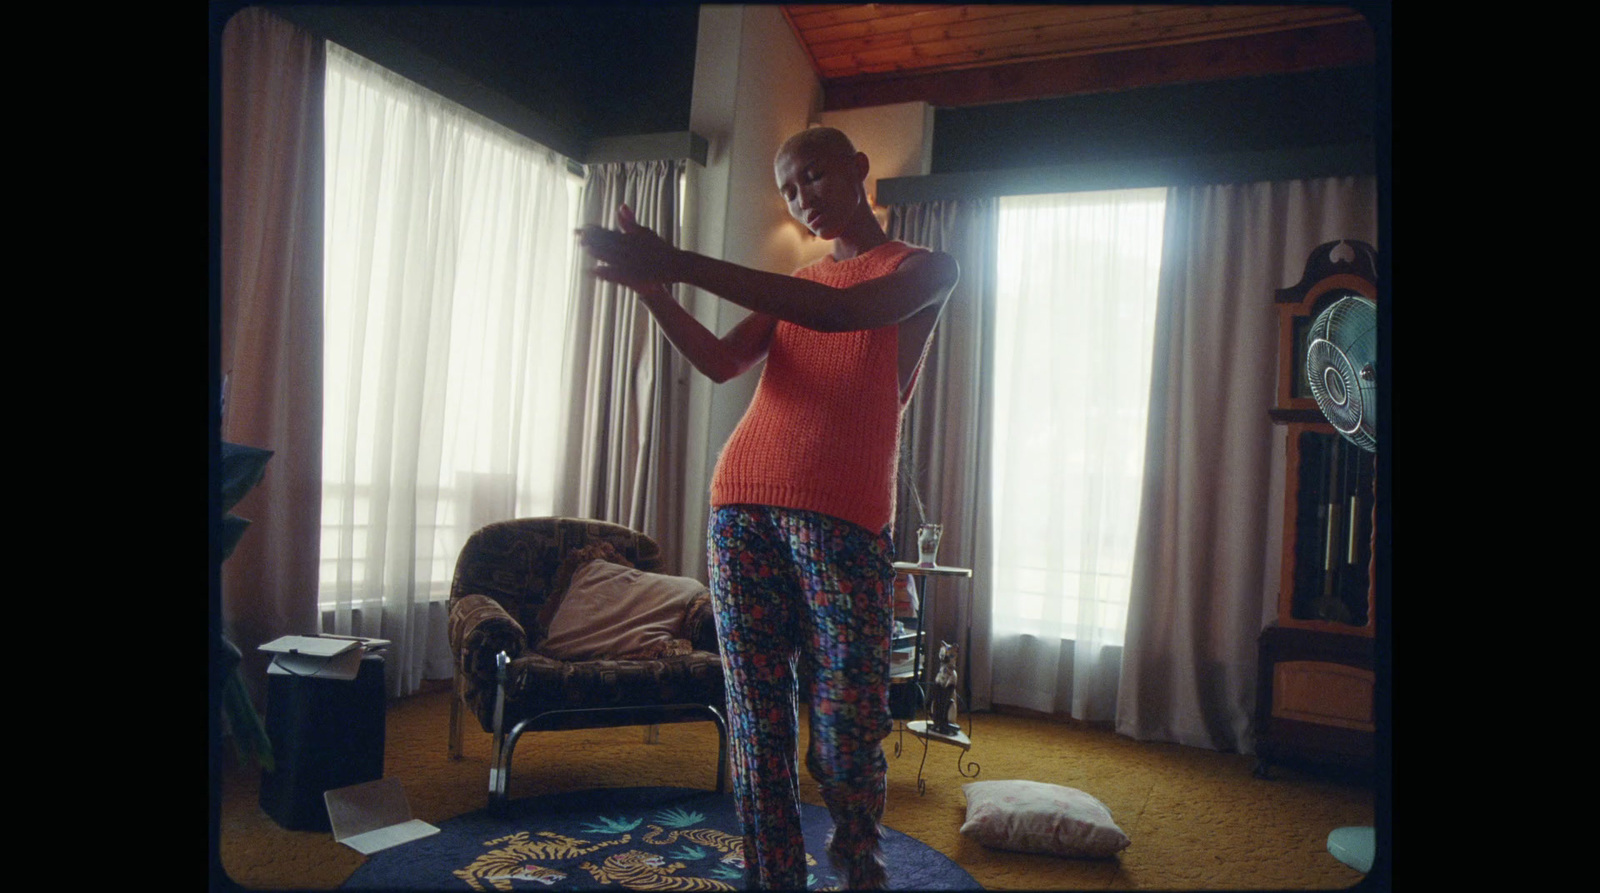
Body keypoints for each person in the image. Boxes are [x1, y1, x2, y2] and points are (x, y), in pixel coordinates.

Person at [578, 126, 958, 890]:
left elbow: (839, 318)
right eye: (788, 188)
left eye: (813, 177)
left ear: (858, 169)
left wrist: (677, 261)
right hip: (741, 505)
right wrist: (657, 293)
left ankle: (858, 853)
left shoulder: (923, 268)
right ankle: (772, 874)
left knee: (847, 727)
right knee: (757, 715)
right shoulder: (799, 279)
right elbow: (721, 362)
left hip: (843, 518)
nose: (801, 198)